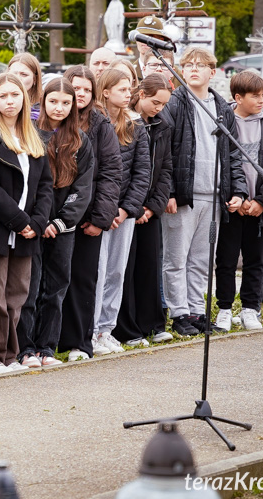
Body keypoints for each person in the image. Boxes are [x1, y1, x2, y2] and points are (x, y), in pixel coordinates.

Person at [0, 73, 52, 375]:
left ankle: (8, 354)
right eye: (3, 96)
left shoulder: (34, 136)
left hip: (29, 231)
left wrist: (37, 222)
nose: (9, 101)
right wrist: (18, 220)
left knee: (17, 294)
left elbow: (44, 185)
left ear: (24, 98)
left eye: (15, 95)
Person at [161, 47, 247, 336]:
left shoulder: (223, 108)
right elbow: (167, 152)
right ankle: (179, 313)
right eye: (188, 65)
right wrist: (169, 191)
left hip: (214, 196)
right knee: (176, 258)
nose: (193, 69)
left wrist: (238, 190)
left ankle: (197, 311)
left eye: (201, 65)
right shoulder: (175, 103)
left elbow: (234, 154)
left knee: (201, 259)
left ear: (213, 72)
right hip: (185, 195)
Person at [18, 78, 93, 366]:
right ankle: (25, 348)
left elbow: (82, 187)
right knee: (30, 287)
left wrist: (61, 222)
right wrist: (38, 220)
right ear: (43, 102)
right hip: (33, 224)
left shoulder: (79, 140)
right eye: (53, 101)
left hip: (63, 228)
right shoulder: (30, 134)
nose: (59, 108)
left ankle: (47, 346)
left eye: (66, 103)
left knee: (56, 287)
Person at [213, 71, 263, 331]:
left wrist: (260, 202)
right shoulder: (223, 122)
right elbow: (223, 164)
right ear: (238, 97)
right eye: (255, 96)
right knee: (226, 258)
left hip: (260, 208)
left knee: (257, 260)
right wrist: (238, 198)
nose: (262, 101)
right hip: (231, 205)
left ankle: (250, 308)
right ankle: (223, 308)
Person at [60, 65, 122, 361]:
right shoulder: (52, 118)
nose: (80, 94)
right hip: (55, 215)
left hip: (89, 217)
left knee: (84, 279)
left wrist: (100, 218)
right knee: (54, 278)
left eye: (86, 89)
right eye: (76, 88)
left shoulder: (101, 125)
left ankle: (79, 343)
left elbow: (111, 173)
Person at [90, 69, 151, 355]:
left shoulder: (136, 126)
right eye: (123, 89)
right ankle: (89, 331)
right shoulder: (93, 123)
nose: (130, 94)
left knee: (116, 271)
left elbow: (142, 174)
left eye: (131, 89)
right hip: (98, 212)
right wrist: (103, 210)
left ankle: (106, 329)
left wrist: (126, 210)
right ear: (105, 92)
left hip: (123, 214)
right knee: (96, 271)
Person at [114, 74, 175, 346]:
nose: (158, 108)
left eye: (163, 104)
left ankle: (152, 323)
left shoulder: (162, 125)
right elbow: (127, 170)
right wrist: (134, 207)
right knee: (125, 268)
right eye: (155, 102)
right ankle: (126, 328)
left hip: (150, 208)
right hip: (127, 207)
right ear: (140, 95)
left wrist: (153, 206)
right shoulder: (127, 123)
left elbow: (165, 170)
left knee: (150, 266)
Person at [7, 52, 43, 120]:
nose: (17, 78)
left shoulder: (44, 107)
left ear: (35, 79)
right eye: (13, 74)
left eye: (24, 74)